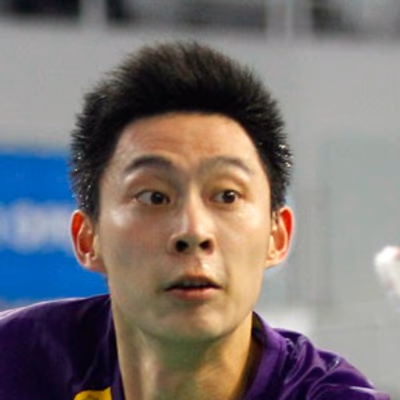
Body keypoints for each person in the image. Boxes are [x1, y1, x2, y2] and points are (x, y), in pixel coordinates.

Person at [0, 41, 390, 400]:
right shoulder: (16, 363)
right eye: (154, 197)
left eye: (227, 195)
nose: (192, 231)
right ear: (88, 239)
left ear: (278, 236)